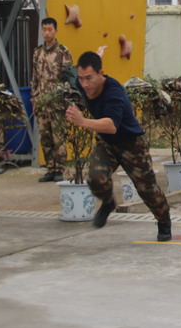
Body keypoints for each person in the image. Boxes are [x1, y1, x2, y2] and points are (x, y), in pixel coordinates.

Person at [65, 51, 172, 241]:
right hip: (107, 143)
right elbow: (72, 71)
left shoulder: (113, 91)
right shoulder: (82, 83)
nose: (85, 84)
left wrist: (82, 121)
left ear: (101, 74)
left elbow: (111, 126)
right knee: (96, 178)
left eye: (89, 78)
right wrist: (97, 54)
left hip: (131, 144)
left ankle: (164, 220)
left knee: (147, 189)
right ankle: (108, 203)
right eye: (81, 79)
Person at [31, 17, 73, 183]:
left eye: (50, 29)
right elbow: (35, 78)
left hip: (57, 103)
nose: (46, 33)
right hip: (42, 102)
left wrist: (64, 99)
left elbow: (69, 78)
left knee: (58, 138)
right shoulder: (37, 52)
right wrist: (34, 98)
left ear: (56, 31)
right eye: (44, 29)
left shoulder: (63, 52)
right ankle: (50, 169)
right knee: (45, 137)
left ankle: (60, 169)